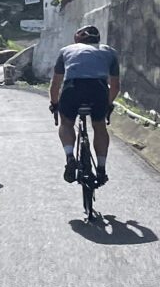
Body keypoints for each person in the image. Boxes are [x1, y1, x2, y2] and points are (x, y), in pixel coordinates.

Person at [49, 24, 121, 186]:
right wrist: (108, 105)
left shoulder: (66, 51)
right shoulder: (110, 52)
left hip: (72, 88)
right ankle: (101, 168)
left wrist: (55, 104)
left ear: (77, 39)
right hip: (98, 89)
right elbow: (115, 87)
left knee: (66, 123)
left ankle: (70, 157)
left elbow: (55, 85)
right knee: (99, 126)